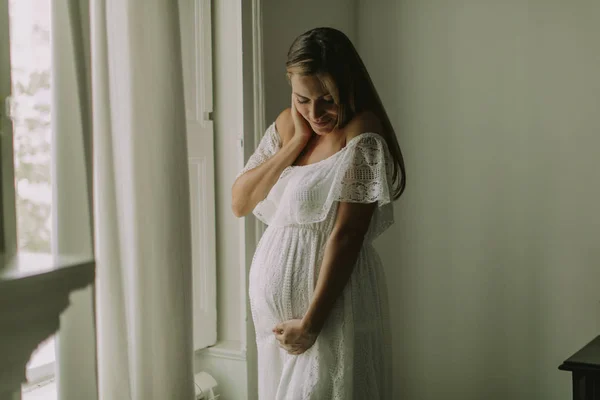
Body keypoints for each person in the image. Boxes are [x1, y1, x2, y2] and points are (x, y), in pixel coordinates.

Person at [231, 26, 406, 400]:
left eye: (327, 99)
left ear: (350, 87)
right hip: (275, 329)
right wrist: (294, 142)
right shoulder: (288, 126)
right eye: (302, 99)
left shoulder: (361, 131)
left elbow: (347, 234)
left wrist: (311, 323)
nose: (315, 113)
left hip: (330, 315)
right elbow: (240, 202)